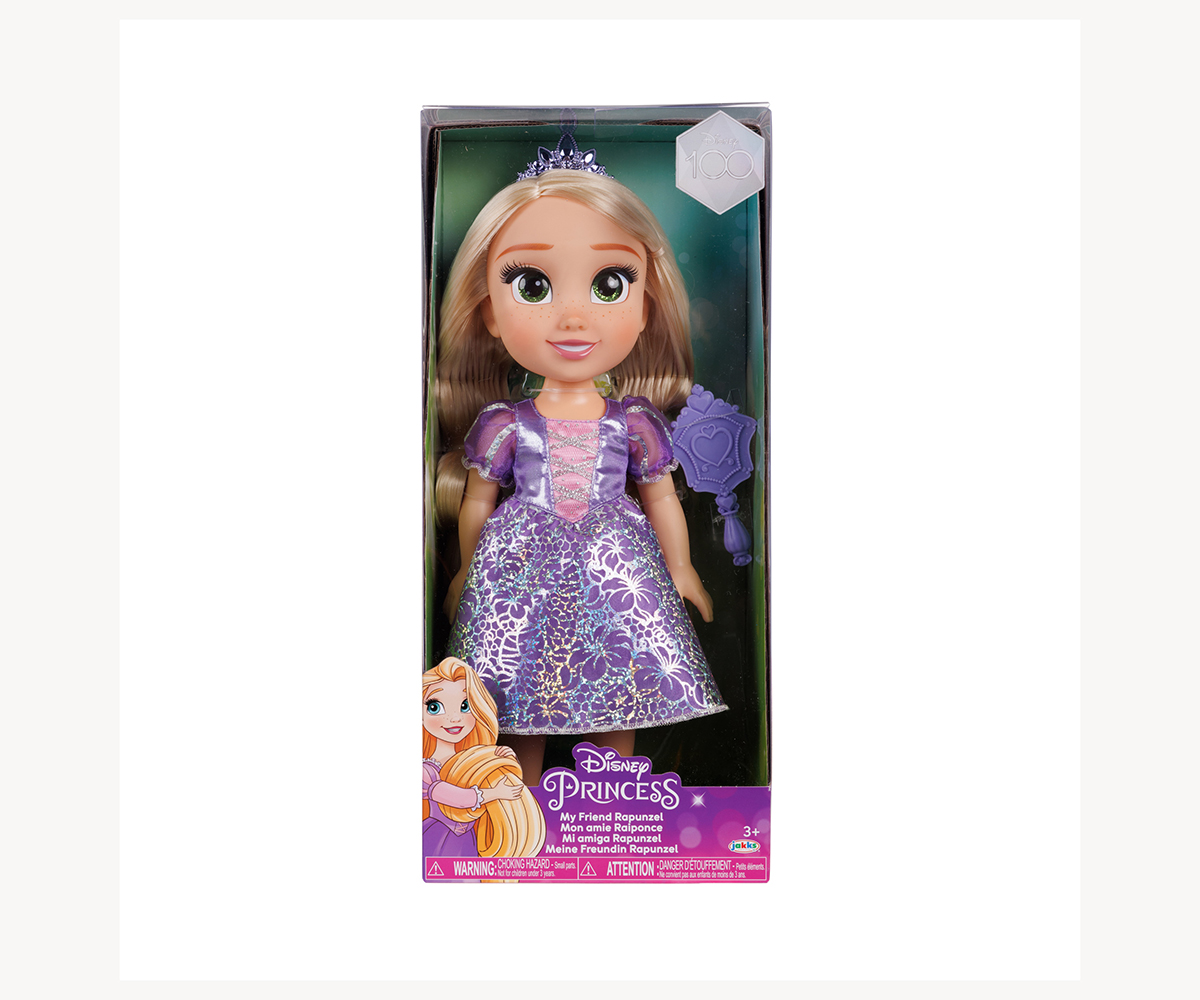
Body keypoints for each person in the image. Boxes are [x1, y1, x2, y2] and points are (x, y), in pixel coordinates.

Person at [435, 153, 727, 784]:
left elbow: (661, 497)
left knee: (624, 680)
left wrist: (680, 568)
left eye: (609, 284)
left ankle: (612, 797)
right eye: (532, 285)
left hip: (614, 566)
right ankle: (515, 803)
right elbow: (477, 501)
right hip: (521, 572)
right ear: (489, 312)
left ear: (644, 307)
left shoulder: (633, 421)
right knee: (517, 694)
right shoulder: (506, 424)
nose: (573, 317)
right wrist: (464, 572)